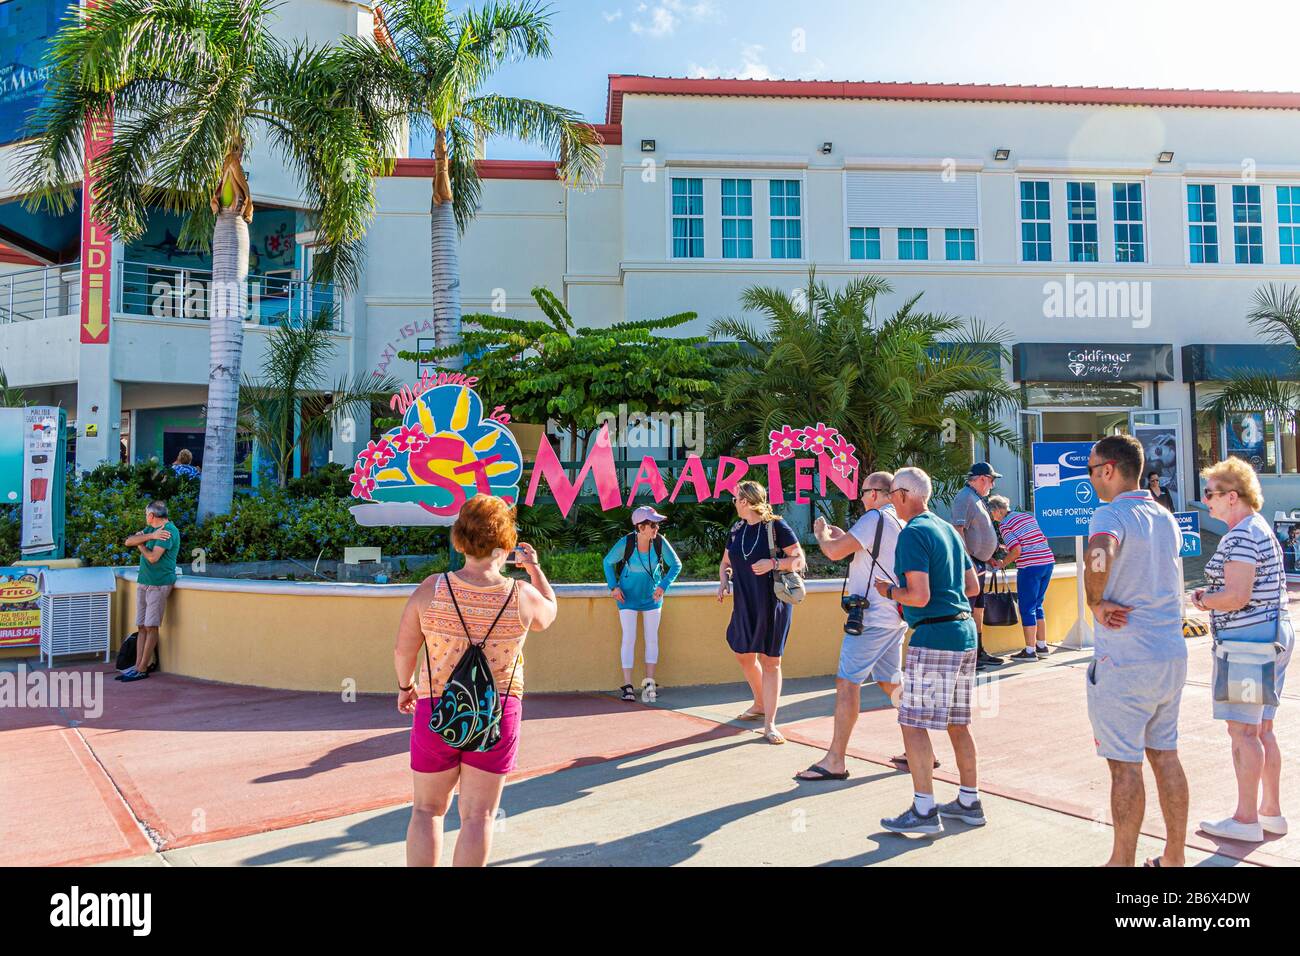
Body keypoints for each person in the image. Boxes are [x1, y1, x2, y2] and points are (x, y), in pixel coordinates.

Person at [394, 495, 557, 867]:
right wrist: (534, 571)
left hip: (437, 707)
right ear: (507, 543)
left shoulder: (431, 589)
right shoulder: (522, 595)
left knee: (426, 811)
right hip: (496, 713)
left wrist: (406, 688)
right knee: (479, 816)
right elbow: (550, 613)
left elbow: (404, 651)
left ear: (459, 539)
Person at [1084, 433, 1189, 867]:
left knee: (1124, 765)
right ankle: (1174, 857)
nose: (1089, 478)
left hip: (1126, 659)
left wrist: (1094, 600)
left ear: (1109, 469)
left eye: (1091, 470)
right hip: (1170, 654)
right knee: (1165, 755)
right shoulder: (1163, 516)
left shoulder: (1110, 514)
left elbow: (1099, 551)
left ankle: (1121, 862)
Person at [877, 467, 985, 835]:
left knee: (912, 721)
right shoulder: (946, 530)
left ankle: (924, 810)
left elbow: (918, 595)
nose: (890, 499)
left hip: (934, 635)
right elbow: (971, 586)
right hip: (964, 632)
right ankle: (969, 801)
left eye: (892, 493)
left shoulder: (913, 534)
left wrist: (888, 591)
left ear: (906, 495)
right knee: (958, 722)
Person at [1192, 457, 1292, 843]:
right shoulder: (1259, 528)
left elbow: (1236, 596)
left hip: (1248, 642)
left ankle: (1246, 818)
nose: (1207, 501)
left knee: (1243, 732)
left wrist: (1204, 598)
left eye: (1211, 494)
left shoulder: (1240, 536)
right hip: (1270, 635)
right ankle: (1270, 812)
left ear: (1232, 496)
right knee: (1263, 728)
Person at [798, 471, 911, 781]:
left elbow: (834, 552)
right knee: (891, 682)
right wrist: (841, 534)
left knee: (847, 683)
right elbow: (863, 550)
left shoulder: (874, 517)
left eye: (863, 491)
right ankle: (919, 748)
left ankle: (835, 760)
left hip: (872, 618)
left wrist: (822, 534)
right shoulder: (897, 520)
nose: (860, 497)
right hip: (894, 615)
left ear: (875, 493)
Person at [716, 480, 806, 745]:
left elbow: (799, 559)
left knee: (770, 661)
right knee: (742, 653)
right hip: (744, 602)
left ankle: (770, 723)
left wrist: (774, 563)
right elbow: (725, 563)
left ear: (745, 502)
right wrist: (723, 581)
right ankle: (759, 702)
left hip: (772, 602)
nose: (733, 503)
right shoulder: (736, 530)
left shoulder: (776, 527)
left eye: (735, 498)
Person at [603, 505, 683, 703]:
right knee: (628, 638)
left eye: (657, 524)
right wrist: (614, 587)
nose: (657, 528)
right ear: (640, 527)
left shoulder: (659, 542)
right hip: (627, 598)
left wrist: (663, 586)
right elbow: (607, 562)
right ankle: (628, 686)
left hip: (652, 598)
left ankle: (649, 684)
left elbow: (676, 565)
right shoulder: (627, 543)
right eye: (653, 525)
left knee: (651, 639)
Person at [987, 495, 1055, 663]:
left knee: (1026, 608)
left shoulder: (1005, 524)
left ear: (998, 510)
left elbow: (1017, 550)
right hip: (1047, 562)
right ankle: (1042, 646)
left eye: (992, 513)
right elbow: (1031, 540)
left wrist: (1002, 563)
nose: (992, 517)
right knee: (1038, 604)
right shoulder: (1025, 516)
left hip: (1030, 566)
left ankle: (1030, 651)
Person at [951, 462, 1004, 670]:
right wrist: (967, 562)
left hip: (981, 563)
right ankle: (967, 656)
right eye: (991, 480)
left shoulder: (976, 498)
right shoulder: (965, 497)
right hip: (972, 565)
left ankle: (978, 651)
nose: (992, 485)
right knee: (969, 608)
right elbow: (958, 529)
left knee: (978, 609)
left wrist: (989, 555)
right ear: (982, 478)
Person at [119, 501, 180, 682]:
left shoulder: (168, 531)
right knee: (141, 625)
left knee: (151, 626)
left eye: (146, 514)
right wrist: (150, 536)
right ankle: (137, 665)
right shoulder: (153, 531)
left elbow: (153, 557)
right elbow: (128, 540)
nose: (145, 518)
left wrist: (142, 544)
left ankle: (143, 668)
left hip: (159, 584)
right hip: (144, 582)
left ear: (151, 516)